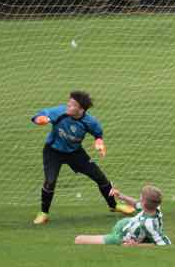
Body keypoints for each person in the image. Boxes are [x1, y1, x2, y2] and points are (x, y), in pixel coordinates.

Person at [31, 90, 134, 224]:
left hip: (75, 153)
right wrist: (40, 119)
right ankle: (43, 213)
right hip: (53, 152)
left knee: (99, 176)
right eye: (69, 102)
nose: (68, 105)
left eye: (72, 104)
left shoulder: (90, 122)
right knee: (50, 181)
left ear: (81, 110)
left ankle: (113, 205)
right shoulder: (60, 112)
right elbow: (39, 116)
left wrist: (99, 143)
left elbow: (98, 135)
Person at [75, 185, 171, 246]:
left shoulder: (149, 224)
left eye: (140, 197)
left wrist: (137, 245)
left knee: (78, 240)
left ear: (144, 202)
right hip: (124, 228)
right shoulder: (155, 208)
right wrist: (121, 196)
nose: (139, 199)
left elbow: (165, 244)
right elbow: (136, 204)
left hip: (120, 238)